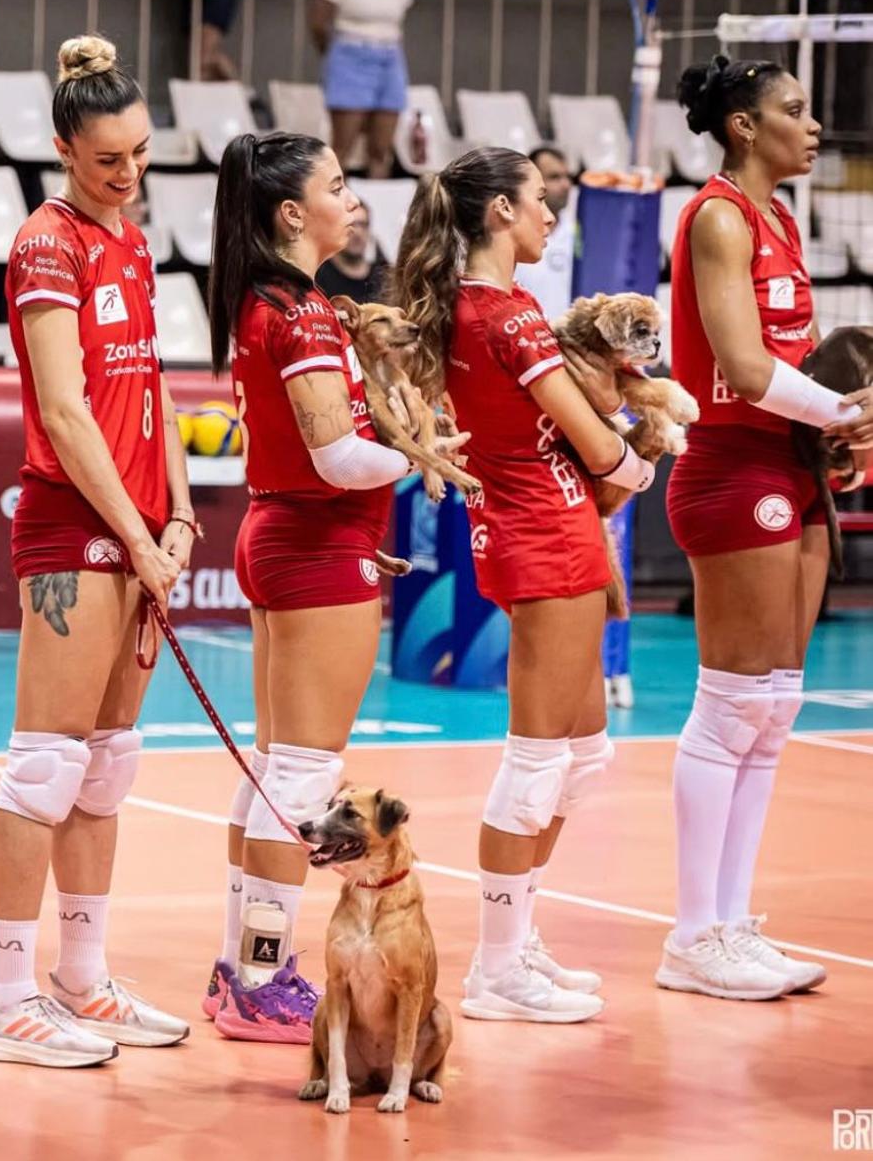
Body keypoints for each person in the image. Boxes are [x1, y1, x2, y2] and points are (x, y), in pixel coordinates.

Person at [201, 130, 467, 1042]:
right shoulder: (302, 311)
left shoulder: (278, 301)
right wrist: (416, 453)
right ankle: (261, 981)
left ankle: (243, 969)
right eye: (339, 186)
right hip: (316, 547)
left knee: (280, 766)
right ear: (290, 213)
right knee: (304, 777)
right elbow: (338, 453)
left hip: (289, 536)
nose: (353, 200)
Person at [0, 35, 196, 1067]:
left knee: (105, 765)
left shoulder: (134, 243)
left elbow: (148, 387)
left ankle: (83, 978)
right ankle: (4, 995)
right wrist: (138, 536)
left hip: (143, 527)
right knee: (47, 763)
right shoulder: (44, 244)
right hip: (74, 525)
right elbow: (63, 406)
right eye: (109, 160)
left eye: (141, 153)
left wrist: (179, 514)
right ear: (64, 149)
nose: (129, 173)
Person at [392, 147, 656, 1023]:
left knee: (583, 752)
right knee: (539, 757)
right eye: (541, 201)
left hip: (552, 531)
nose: (551, 215)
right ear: (500, 211)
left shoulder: (487, 309)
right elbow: (597, 443)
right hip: (544, 535)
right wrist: (647, 446)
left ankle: (519, 940)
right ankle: (496, 968)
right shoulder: (506, 315)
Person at [658, 55, 873, 1001]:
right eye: (793, 110)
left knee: (776, 706)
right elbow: (744, 370)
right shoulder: (717, 216)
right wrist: (837, 407)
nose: (813, 125)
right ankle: (693, 934)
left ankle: (731, 924)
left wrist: (836, 430)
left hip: (786, 468)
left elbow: (789, 368)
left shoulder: (784, 217)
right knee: (733, 703)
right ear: (743, 126)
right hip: (732, 470)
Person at [311, 0, 413, 179]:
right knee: (344, 144)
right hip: (351, 54)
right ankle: (333, 204)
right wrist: (334, 57)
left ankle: (377, 205)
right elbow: (319, 22)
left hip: (390, 56)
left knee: (381, 147)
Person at [513, 146, 574, 320]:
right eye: (555, 177)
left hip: (568, 343)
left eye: (567, 177)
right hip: (525, 339)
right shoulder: (511, 235)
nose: (566, 185)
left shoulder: (583, 238)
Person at [315, 197, 387, 303]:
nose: (357, 233)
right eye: (351, 225)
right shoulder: (318, 278)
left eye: (363, 225)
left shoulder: (383, 277)